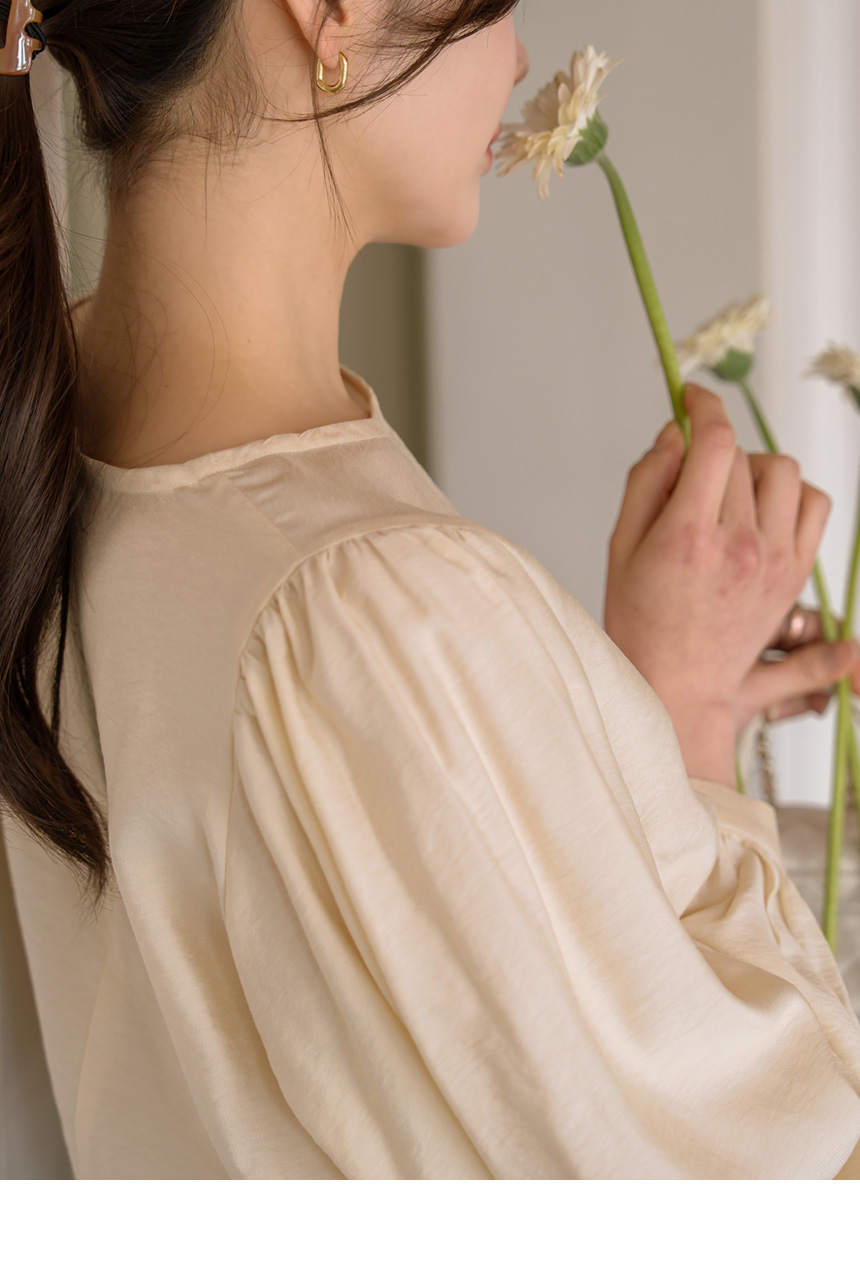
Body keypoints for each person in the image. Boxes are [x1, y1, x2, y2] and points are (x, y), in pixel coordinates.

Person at [1, 0, 860, 1180]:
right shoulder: (365, 608)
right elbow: (765, 1189)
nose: (518, 53)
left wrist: (615, 733)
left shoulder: (48, 453)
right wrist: (686, 726)